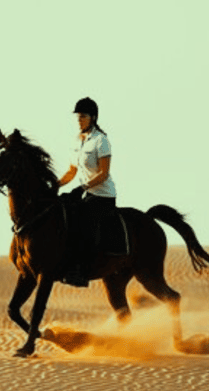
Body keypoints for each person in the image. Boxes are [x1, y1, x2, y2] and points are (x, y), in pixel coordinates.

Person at [57, 97, 116, 287]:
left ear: (93, 117)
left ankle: (81, 270)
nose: (79, 120)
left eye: (83, 116)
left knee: (82, 220)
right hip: (85, 194)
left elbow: (104, 174)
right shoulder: (77, 141)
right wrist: (55, 186)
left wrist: (82, 187)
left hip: (103, 196)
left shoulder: (101, 141)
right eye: (77, 117)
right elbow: (71, 171)